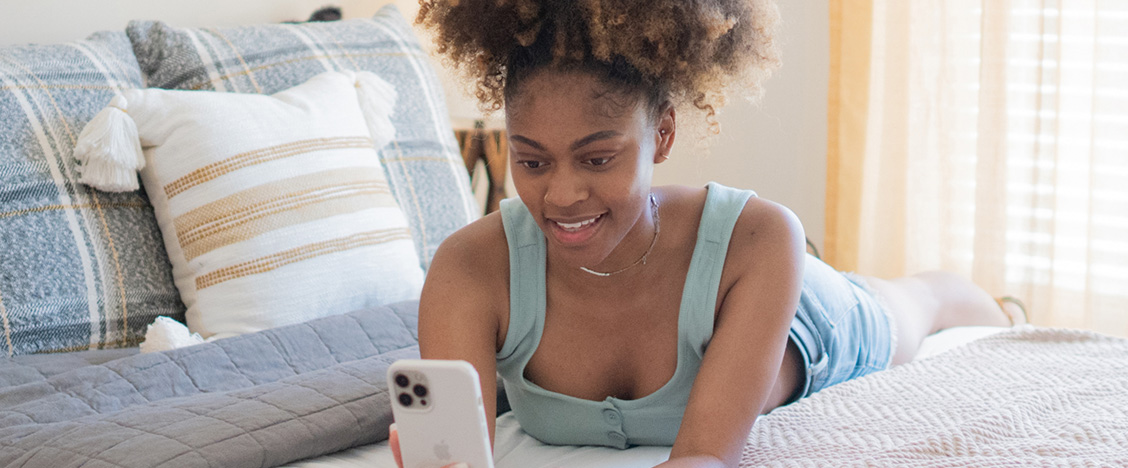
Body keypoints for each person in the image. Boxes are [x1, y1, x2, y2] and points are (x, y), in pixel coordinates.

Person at [388, 0, 1026, 467]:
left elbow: (700, 459)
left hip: (801, 313)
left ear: (661, 134)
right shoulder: (469, 271)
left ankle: (992, 306)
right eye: (531, 161)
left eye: (597, 158)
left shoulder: (762, 237)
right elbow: (450, 452)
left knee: (910, 306)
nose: (560, 195)